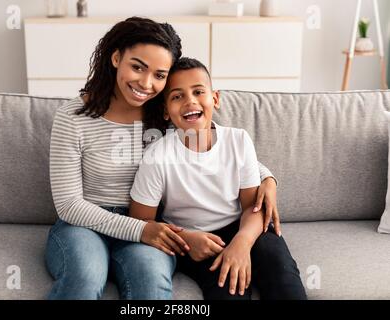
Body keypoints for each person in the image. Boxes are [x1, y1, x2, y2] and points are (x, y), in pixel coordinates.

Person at [45, 16, 280, 300]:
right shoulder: (72, 118)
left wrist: (266, 177)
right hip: (84, 225)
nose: (146, 83)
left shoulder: (165, 115)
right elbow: (69, 205)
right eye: (137, 67)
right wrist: (142, 230)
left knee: (150, 281)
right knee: (85, 276)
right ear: (116, 57)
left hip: (151, 223)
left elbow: (214, 146)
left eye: (159, 75)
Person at [129, 57, 307, 300]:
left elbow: (253, 207)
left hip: (244, 228)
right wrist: (186, 239)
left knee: (283, 276)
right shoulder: (158, 156)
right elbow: (141, 222)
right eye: (177, 96)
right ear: (165, 111)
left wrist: (241, 244)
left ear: (215, 98)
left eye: (198, 91)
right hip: (193, 240)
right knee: (229, 290)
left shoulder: (238, 140)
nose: (190, 100)